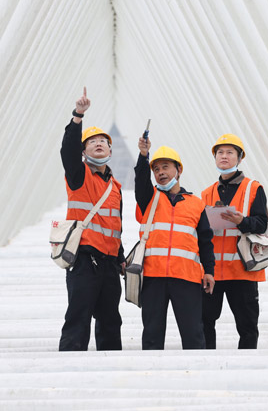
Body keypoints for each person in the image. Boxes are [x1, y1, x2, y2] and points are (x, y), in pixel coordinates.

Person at [58, 87, 125, 351]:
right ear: (84, 151)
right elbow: (67, 151)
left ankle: (111, 373)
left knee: (111, 321)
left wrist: (120, 258)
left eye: (103, 141)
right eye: (91, 142)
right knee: (78, 317)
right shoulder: (79, 175)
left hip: (109, 263)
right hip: (84, 259)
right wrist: (78, 117)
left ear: (110, 148)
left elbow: (115, 226)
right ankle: (69, 373)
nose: (98, 144)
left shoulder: (116, 187)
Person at [135, 135, 215, 350]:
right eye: (156, 169)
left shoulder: (196, 204)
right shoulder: (148, 198)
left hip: (186, 277)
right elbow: (140, 179)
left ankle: (196, 374)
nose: (160, 172)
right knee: (152, 332)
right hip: (154, 277)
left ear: (178, 170)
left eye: (166, 167)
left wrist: (209, 271)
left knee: (193, 333)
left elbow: (206, 241)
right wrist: (144, 156)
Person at [200, 133, 268, 349]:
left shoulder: (253, 188)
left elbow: (262, 224)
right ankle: (208, 366)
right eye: (220, 152)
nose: (224, 156)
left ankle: (247, 370)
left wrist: (242, 221)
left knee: (247, 326)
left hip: (242, 270)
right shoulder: (206, 193)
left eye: (230, 152)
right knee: (204, 323)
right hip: (213, 271)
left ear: (239, 158)